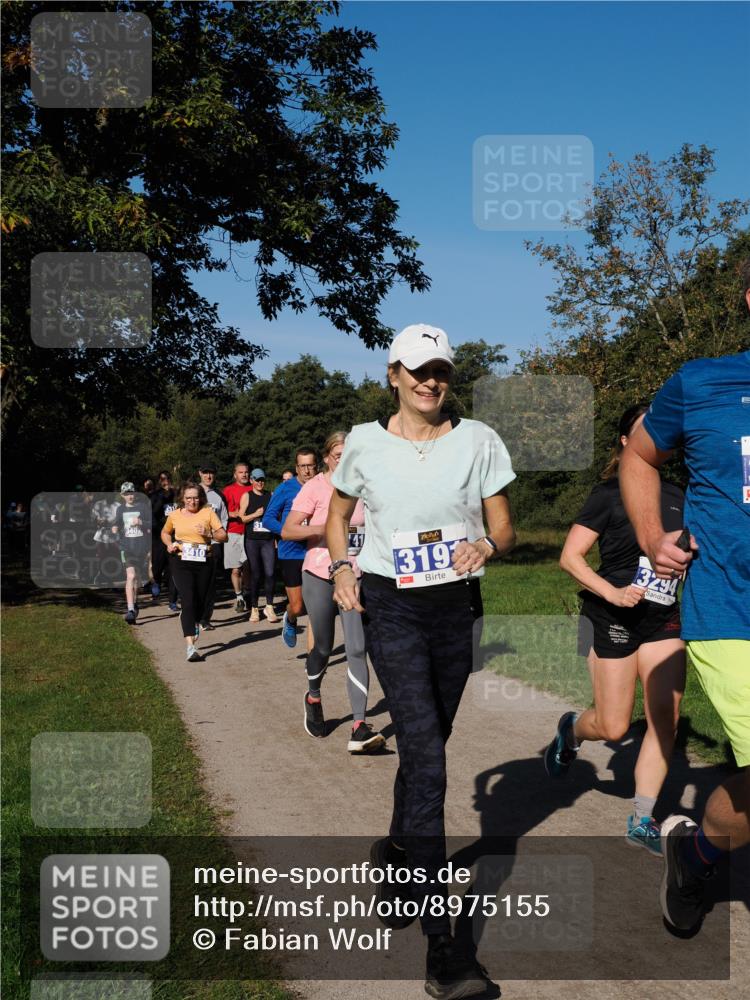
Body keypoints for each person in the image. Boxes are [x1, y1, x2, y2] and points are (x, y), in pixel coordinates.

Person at [327, 324, 515, 997]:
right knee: (430, 762)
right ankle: (445, 950)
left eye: (440, 370)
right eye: (418, 370)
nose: (430, 381)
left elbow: (504, 525)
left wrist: (487, 546)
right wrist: (343, 568)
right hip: (392, 607)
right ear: (393, 374)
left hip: (456, 610)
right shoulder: (364, 442)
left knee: (425, 745)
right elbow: (337, 515)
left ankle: (399, 851)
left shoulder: (479, 439)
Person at [620, 269, 750, 933]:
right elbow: (640, 457)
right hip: (730, 606)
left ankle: (695, 854)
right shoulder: (701, 383)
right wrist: (651, 535)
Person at [543, 403, 686, 855]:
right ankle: (571, 731)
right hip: (613, 617)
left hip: (663, 618)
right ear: (625, 441)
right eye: (644, 428)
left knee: (665, 717)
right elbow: (570, 558)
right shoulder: (608, 494)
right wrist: (613, 593)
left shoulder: (682, 494)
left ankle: (643, 819)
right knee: (613, 726)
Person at [284, 431, 385, 754]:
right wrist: (327, 528)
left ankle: (359, 725)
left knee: (357, 647)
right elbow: (288, 529)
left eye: (349, 453)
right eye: (339, 455)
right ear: (327, 458)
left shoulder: (367, 486)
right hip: (319, 574)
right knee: (324, 647)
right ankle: (313, 696)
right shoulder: (315, 487)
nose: (344, 459)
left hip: (355, 576)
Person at [161, 483, 227, 661]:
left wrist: (208, 533)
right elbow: (165, 532)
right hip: (181, 561)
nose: (192, 501)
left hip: (204, 561)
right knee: (188, 598)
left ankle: (195, 619)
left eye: (196, 497)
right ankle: (190, 646)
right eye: (188, 498)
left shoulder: (208, 513)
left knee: (201, 600)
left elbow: (223, 536)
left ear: (201, 498)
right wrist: (169, 544)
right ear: (182, 499)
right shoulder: (175, 515)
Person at [264, 448, 318, 648]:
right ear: (296, 468)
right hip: (291, 552)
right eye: (302, 466)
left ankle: (315, 656)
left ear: (317, 466)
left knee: (317, 606)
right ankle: (291, 617)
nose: (306, 470)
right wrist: (287, 531)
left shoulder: (323, 486)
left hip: (316, 551)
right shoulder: (285, 488)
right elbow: (268, 519)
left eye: (310, 465)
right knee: (298, 606)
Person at [239, 468, 279, 623]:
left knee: (270, 572)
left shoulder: (271, 495)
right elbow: (242, 518)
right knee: (256, 573)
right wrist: (256, 514)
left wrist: (275, 536)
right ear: (251, 481)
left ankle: (269, 606)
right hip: (252, 540)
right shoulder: (247, 496)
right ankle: (254, 608)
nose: (260, 483)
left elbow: (276, 516)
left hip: (268, 539)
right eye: (257, 480)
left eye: (262, 480)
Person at [196, 461, 228, 630]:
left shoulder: (219, 496)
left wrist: (217, 536)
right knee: (194, 582)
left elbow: (224, 520)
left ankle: (205, 619)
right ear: (200, 473)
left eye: (211, 473)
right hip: (194, 545)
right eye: (205, 472)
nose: (208, 476)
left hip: (213, 544)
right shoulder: (192, 493)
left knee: (209, 583)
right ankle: (192, 612)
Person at [112, 482, 151, 624]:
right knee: (131, 575)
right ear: (122, 495)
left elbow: (152, 524)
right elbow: (117, 523)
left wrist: (140, 522)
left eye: (131, 493)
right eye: (127, 494)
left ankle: (134, 604)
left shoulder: (143, 507)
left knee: (137, 578)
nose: (130, 496)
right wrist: (114, 528)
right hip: (127, 547)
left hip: (141, 547)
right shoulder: (121, 509)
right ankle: (130, 610)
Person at [223, 462, 253, 612]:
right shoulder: (228, 490)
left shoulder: (253, 488)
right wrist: (233, 514)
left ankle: (248, 594)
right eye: (241, 472)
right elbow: (221, 512)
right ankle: (239, 597)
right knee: (236, 569)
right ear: (235, 475)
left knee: (249, 567)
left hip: (250, 532)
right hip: (233, 532)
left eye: (246, 472)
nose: (244, 474)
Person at [151, 471, 179, 608]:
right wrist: (162, 497)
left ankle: (173, 601)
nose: (165, 481)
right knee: (158, 566)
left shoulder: (176, 494)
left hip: (175, 535)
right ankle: (156, 581)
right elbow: (153, 513)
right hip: (159, 535)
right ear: (159, 481)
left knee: (173, 569)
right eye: (162, 479)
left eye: (167, 478)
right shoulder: (155, 495)